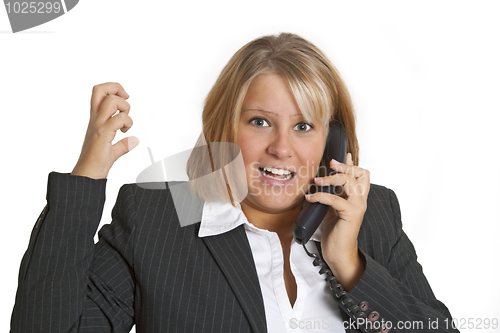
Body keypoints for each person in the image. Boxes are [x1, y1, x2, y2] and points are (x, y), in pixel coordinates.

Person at [10, 33, 458, 333]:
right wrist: (86, 178)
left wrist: (348, 263)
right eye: (260, 122)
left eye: (305, 127)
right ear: (225, 127)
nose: (282, 149)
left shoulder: (371, 216)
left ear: (332, 141)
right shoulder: (156, 220)